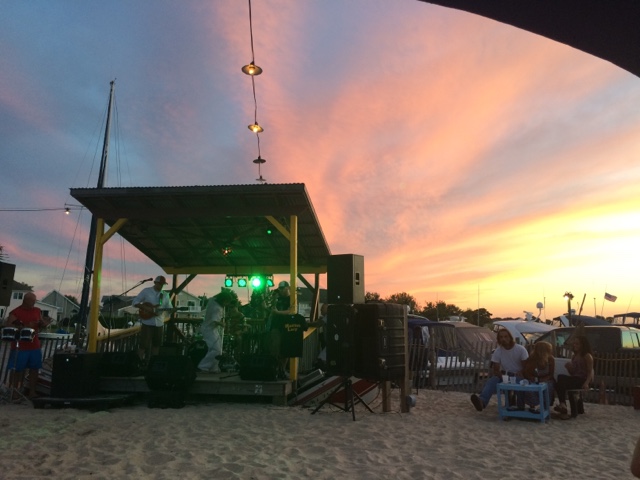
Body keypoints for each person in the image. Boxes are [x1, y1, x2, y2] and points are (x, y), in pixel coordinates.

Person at [4, 292, 51, 400]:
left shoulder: (37, 310)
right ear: (26, 300)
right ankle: (14, 391)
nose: (34, 303)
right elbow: (9, 326)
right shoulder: (15, 312)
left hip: (35, 345)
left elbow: (40, 322)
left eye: (35, 301)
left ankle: (32, 392)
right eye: (32, 301)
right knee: (17, 370)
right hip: (20, 346)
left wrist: (43, 324)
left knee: (35, 369)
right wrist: (25, 326)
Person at [470, 328, 528, 411]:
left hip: (517, 374)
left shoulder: (520, 349)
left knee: (520, 384)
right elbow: (496, 370)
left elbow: (526, 366)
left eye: (506, 336)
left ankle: (519, 406)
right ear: (498, 339)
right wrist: (501, 375)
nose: (503, 339)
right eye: (501, 337)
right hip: (505, 374)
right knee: (491, 381)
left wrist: (521, 372)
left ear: (510, 337)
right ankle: (482, 401)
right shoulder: (498, 351)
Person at [132, 275, 172, 365]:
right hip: (147, 322)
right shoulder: (146, 291)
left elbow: (169, 308)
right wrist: (146, 308)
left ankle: (153, 364)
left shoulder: (165, 295)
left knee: (156, 344)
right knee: (143, 345)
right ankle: (138, 363)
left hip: (159, 323)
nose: (161, 286)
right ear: (155, 283)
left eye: (163, 284)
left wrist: (172, 310)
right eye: (160, 284)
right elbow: (135, 302)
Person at [554, 335, 594, 419]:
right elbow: (573, 373)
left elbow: (590, 372)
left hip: (583, 379)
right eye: (574, 343)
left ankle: (562, 404)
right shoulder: (574, 356)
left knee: (561, 380)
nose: (575, 345)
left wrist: (586, 383)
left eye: (577, 344)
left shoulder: (587, 356)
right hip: (576, 378)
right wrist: (569, 368)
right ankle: (563, 404)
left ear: (582, 345)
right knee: (560, 378)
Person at [197, 289, 235, 374]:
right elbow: (215, 320)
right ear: (223, 300)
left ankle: (213, 367)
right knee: (216, 349)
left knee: (217, 349)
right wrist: (223, 324)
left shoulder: (212, 301)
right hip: (209, 329)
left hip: (210, 328)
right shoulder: (217, 308)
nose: (227, 304)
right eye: (227, 301)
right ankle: (203, 366)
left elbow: (213, 297)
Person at [522, 341, 555, 409]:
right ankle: (532, 406)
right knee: (530, 388)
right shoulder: (532, 359)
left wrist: (543, 379)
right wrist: (534, 379)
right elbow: (527, 373)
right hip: (533, 378)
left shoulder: (550, 359)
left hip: (546, 379)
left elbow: (551, 374)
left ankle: (545, 406)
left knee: (548, 386)